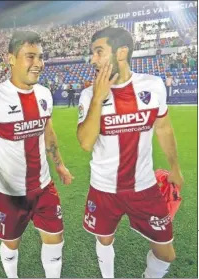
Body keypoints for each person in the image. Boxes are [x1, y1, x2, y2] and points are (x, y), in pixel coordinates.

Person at [77, 27, 184, 278]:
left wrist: (175, 168)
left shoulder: (153, 85)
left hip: (144, 187)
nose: (93, 59)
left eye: (99, 52)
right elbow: (85, 143)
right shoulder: (88, 94)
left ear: (121, 52)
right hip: (103, 188)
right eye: (93, 53)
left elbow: (164, 128)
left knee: (166, 252)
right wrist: (97, 98)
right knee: (104, 240)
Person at [0, 31, 73, 278]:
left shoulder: (44, 94)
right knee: (11, 244)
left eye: (41, 57)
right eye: (30, 56)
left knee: (56, 241)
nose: (38, 63)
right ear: (11, 59)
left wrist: (60, 165)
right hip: (9, 193)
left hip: (44, 187)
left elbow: (48, 132)